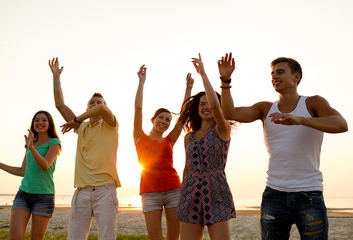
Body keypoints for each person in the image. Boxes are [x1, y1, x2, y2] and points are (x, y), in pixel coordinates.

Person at [218, 52, 348, 240]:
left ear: (296, 77)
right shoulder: (265, 108)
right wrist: (226, 79)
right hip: (274, 194)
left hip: (309, 193)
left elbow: (341, 125)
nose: (274, 77)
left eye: (280, 72)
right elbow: (229, 112)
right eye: (272, 74)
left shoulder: (313, 103)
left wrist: (300, 120)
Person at [49, 57, 120, 240]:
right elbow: (60, 105)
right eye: (91, 103)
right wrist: (56, 76)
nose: (95, 105)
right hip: (81, 191)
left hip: (105, 190)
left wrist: (75, 120)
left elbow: (103, 110)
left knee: (107, 237)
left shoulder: (111, 125)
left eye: (99, 102)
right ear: (86, 107)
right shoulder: (82, 128)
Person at [176, 54, 236, 240]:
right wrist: (183, 191)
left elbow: (218, 109)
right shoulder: (189, 138)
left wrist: (203, 74)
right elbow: (187, 167)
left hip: (216, 191)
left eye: (209, 103)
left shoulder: (222, 129)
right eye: (202, 104)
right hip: (190, 192)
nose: (206, 107)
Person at [133, 65, 194, 240]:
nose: (165, 122)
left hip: (174, 189)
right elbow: (137, 108)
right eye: (161, 117)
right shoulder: (139, 137)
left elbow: (183, 117)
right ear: (153, 120)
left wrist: (188, 88)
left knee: (173, 237)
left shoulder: (170, 140)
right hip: (150, 193)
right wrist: (141, 82)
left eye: (168, 120)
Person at [0, 110, 61, 240]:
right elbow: (22, 171)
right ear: (33, 123)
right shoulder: (31, 143)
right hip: (23, 194)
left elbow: (45, 165)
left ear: (50, 123)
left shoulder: (54, 142)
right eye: (37, 120)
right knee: (15, 237)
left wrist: (31, 148)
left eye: (44, 120)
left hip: (44, 197)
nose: (40, 122)